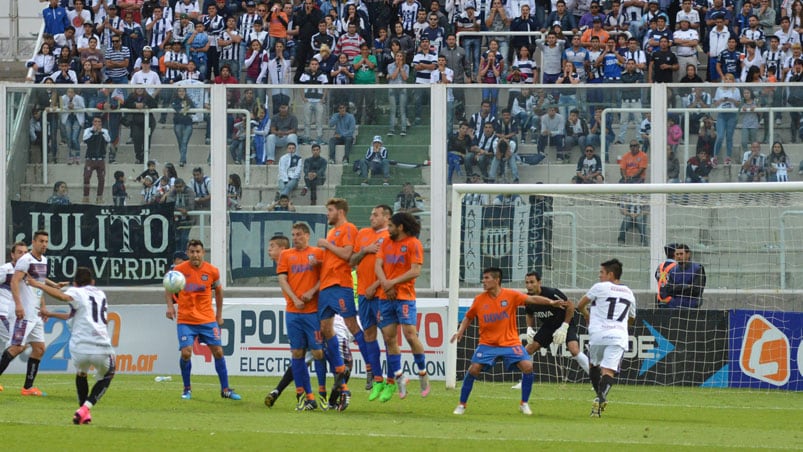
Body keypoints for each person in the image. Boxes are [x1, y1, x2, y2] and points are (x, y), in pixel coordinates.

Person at [450, 267, 567, 416]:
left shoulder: (511, 295)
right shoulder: (479, 300)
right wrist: (460, 331)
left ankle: (524, 403)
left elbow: (532, 299)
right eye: (483, 278)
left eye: (486, 278)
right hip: (487, 344)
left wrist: (550, 302)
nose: (483, 281)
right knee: (473, 369)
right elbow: (469, 316)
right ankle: (462, 404)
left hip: (510, 343)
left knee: (528, 366)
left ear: (496, 279)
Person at [29, 267, 115, 425]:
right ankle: (86, 408)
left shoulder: (76, 292)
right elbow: (73, 314)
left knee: (81, 372)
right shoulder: (101, 294)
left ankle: (84, 413)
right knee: (109, 374)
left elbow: (62, 296)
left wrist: (39, 285)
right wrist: (51, 314)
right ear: (93, 282)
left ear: (75, 283)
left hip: (79, 347)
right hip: (101, 345)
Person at [165, 239, 241, 401]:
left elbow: (219, 293)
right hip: (186, 319)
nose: (195, 255)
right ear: (187, 253)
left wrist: (219, 315)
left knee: (219, 352)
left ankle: (225, 389)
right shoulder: (179, 270)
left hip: (207, 319)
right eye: (192, 252)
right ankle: (187, 389)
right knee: (186, 353)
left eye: (198, 252)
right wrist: (170, 307)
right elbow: (167, 286)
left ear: (203, 253)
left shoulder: (212, 271)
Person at [372, 212, 429, 402]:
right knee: (389, 338)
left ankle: (422, 372)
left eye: (390, 226)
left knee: (410, 335)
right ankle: (399, 376)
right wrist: (385, 284)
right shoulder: (386, 243)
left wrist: (392, 283)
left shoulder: (414, 244)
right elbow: (378, 265)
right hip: (385, 296)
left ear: (400, 227)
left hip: (404, 296)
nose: (388, 230)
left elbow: (415, 271)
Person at [315, 198, 366, 411]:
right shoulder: (331, 232)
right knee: (325, 331)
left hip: (339, 284)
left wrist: (327, 246)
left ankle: (371, 368)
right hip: (326, 287)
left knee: (350, 326)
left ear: (341, 211)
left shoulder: (348, 228)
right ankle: (340, 381)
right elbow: (333, 258)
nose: (327, 213)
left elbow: (347, 255)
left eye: (330, 210)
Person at [275, 223, 327, 411]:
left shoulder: (318, 254)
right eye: (293, 235)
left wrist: (312, 292)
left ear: (307, 235)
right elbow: (282, 279)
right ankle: (304, 396)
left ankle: (323, 393)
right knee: (297, 353)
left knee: (319, 352)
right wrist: (295, 298)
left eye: (298, 234)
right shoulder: (286, 255)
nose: (295, 238)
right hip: (293, 311)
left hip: (312, 312)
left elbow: (325, 277)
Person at [511, 271, 590, 390]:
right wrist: (529, 328)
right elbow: (529, 314)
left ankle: (597, 380)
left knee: (574, 350)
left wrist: (565, 326)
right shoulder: (528, 299)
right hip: (548, 326)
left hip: (565, 323)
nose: (529, 285)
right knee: (527, 350)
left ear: (539, 282)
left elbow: (570, 306)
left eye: (532, 282)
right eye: (527, 283)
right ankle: (525, 381)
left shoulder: (552, 293)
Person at [577, 259, 636, 417]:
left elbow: (580, 305)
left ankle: (599, 396)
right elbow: (631, 318)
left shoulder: (599, 287)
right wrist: (621, 325)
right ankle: (600, 397)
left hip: (598, 334)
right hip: (618, 336)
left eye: (601, 273)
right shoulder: (629, 292)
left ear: (610, 274)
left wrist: (587, 315)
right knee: (608, 371)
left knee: (594, 366)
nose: (599, 276)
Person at [0, 231, 56, 396]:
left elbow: (39, 285)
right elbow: (15, 282)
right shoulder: (25, 260)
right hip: (23, 312)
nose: (44, 244)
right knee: (16, 347)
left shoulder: (44, 260)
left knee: (39, 349)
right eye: (41, 241)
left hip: (35, 313)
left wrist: (43, 307)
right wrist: (18, 305)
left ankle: (28, 388)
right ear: (34, 242)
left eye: (46, 241)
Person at [350, 205, 392, 394]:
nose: (371, 217)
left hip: (381, 294)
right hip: (363, 295)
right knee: (369, 335)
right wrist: (365, 250)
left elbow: (391, 269)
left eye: (375, 215)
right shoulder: (363, 234)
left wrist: (375, 286)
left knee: (388, 337)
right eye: (371, 214)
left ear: (387, 217)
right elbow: (352, 261)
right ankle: (376, 377)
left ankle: (392, 379)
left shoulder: (390, 237)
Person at [656, 244, 706, 308]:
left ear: (688, 254)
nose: (679, 256)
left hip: (692, 304)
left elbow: (696, 290)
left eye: (681, 254)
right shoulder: (672, 270)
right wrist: (686, 287)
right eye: (677, 254)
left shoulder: (698, 269)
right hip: (674, 304)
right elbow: (669, 289)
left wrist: (677, 288)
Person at [0, 242, 28, 357]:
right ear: (12, 255)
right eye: (19, 252)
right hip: (2, 313)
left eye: (25, 253)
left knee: (16, 344)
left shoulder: (27, 272)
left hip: (13, 314)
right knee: (17, 343)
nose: (23, 255)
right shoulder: (6, 270)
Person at [165, 178, 195, 252]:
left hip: (188, 219)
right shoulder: (173, 192)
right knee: (177, 238)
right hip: (177, 220)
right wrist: (180, 210)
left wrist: (186, 209)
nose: (178, 188)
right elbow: (169, 203)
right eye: (177, 187)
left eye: (180, 186)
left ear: (184, 185)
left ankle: (183, 254)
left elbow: (191, 205)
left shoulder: (189, 191)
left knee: (184, 238)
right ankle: (178, 255)